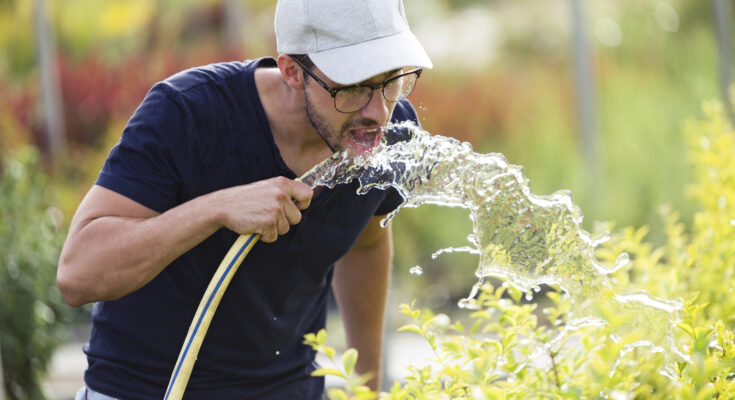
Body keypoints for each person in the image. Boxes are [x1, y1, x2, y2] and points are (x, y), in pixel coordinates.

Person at [57, 0, 432, 398]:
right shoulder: (189, 113)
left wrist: (366, 388)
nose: (378, 112)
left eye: (392, 81)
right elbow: (77, 275)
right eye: (355, 87)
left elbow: (366, 242)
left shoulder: (390, 134)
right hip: (150, 389)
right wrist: (215, 208)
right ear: (290, 70)